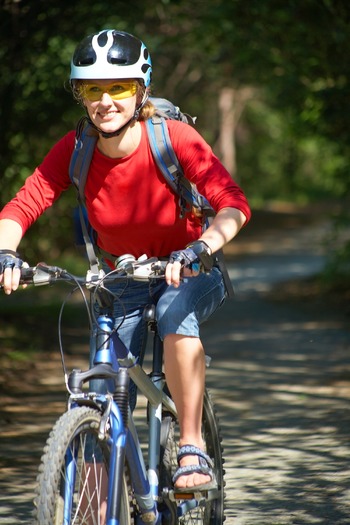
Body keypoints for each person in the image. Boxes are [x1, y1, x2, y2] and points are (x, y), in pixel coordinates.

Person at [0, 29, 251, 491]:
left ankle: (192, 444)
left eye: (118, 87)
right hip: (124, 278)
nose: (105, 100)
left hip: (191, 269)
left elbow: (233, 204)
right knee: (105, 383)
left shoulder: (174, 138)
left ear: (141, 90)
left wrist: (200, 247)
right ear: (81, 96)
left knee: (176, 315)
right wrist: (6, 253)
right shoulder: (77, 150)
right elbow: (22, 205)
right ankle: (100, 493)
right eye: (92, 89)